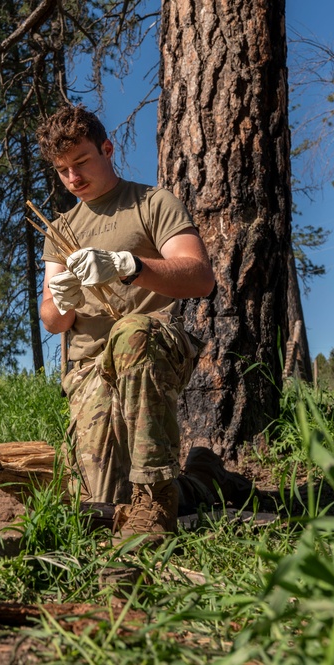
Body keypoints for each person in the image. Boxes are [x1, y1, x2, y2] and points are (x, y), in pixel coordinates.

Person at [35, 104, 215, 545]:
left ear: (107, 148)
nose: (73, 179)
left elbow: (199, 276)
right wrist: (63, 300)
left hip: (150, 348)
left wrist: (128, 265)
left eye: (81, 163)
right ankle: (204, 481)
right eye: (62, 171)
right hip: (89, 369)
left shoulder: (152, 203)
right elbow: (53, 321)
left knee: (132, 330)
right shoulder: (60, 230)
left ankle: (156, 501)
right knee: (104, 502)